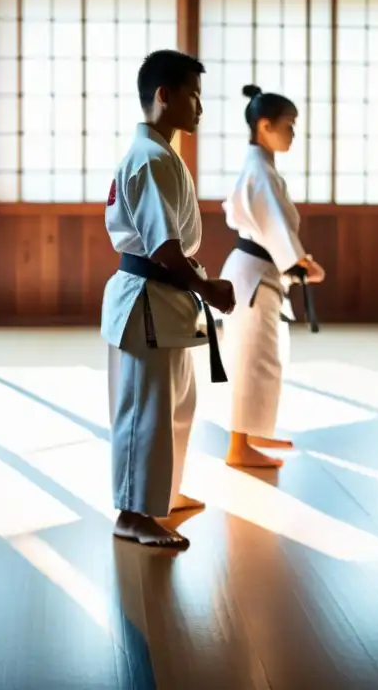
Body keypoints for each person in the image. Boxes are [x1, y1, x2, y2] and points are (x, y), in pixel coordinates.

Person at [101, 49, 236, 551]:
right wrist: (211, 289)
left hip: (162, 301)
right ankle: (133, 515)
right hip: (147, 300)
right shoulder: (152, 158)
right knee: (146, 412)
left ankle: (160, 497)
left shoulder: (160, 154)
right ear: (165, 95)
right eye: (194, 95)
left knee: (176, 407)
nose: (200, 107)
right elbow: (163, 247)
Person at [218, 84, 325, 470]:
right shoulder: (260, 173)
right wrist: (299, 265)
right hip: (255, 275)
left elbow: (273, 229)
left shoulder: (262, 170)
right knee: (251, 360)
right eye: (289, 125)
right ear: (264, 126)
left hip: (260, 272)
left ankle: (255, 430)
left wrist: (296, 262)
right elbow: (276, 229)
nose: (293, 133)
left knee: (267, 357)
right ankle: (238, 447)